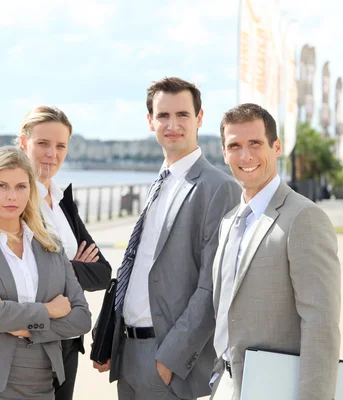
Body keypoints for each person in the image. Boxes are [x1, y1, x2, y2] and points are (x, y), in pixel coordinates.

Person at [93, 77, 242, 400]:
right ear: (150, 122)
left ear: (199, 118)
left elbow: (211, 286)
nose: (172, 124)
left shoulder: (218, 187)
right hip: (127, 353)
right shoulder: (160, 182)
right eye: (163, 116)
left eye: (182, 115)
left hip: (166, 363)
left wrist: (170, 359)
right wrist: (111, 336)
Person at [210, 103, 341, 400]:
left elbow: (321, 326)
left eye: (255, 143)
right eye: (235, 146)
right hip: (226, 385)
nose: (245, 156)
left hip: (276, 388)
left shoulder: (304, 218)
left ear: (277, 146)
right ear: (224, 153)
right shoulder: (229, 221)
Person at [0, 146, 91, 400]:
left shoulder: (51, 247)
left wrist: (26, 328)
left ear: (31, 191)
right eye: (2, 186)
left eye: (21, 187)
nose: (12, 196)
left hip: (42, 382)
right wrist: (48, 311)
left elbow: (81, 319)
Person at [17, 105, 112, 399]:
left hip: (69, 341)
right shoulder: (14, 198)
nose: (52, 154)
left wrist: (60, 268)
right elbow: (22, 272)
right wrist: (73, 267)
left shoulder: (62, 201)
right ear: (23, 142)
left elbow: (102, 273)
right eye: (43, 143)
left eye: (60, 146)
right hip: (29, 341)